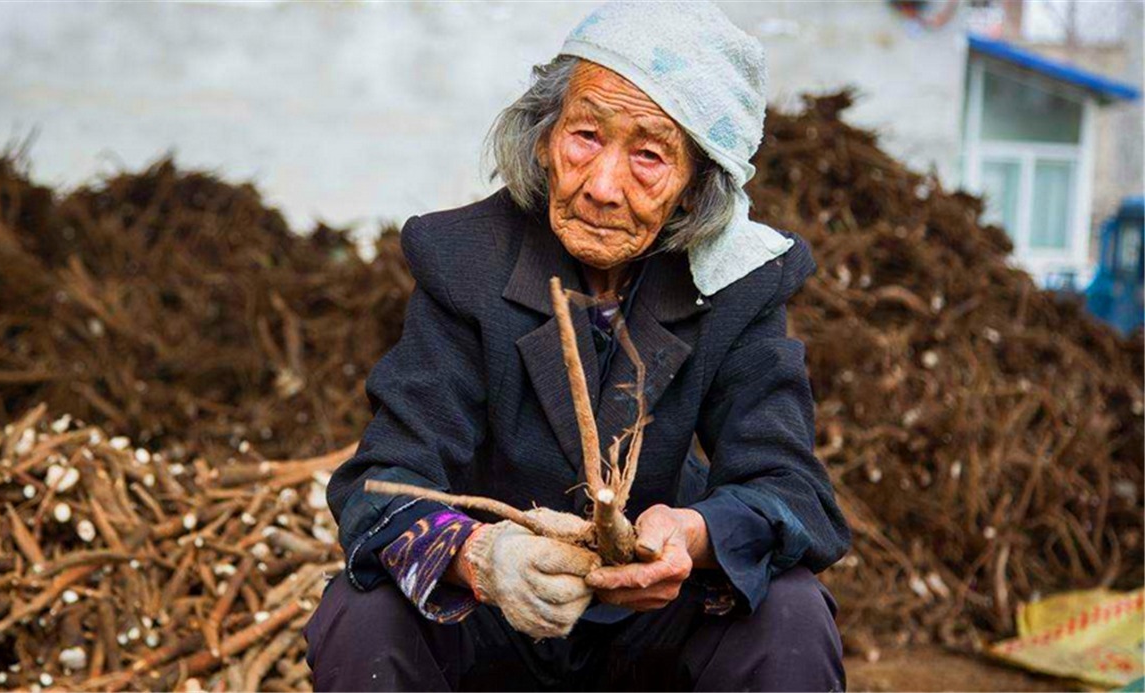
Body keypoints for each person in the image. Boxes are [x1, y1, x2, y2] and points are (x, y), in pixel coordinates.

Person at [304, 1, 851, 690]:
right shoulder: (462, 259)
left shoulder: (737, 284)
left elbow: (794, 494)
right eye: (585, 135)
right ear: (543, 137)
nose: (601, 185)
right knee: (363, 612)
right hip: (490, 619)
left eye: (649, 155)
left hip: (653, 628)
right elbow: (382, 481)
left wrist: (690, 535)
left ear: (693, 187)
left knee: (790, 611)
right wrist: (479, 555)